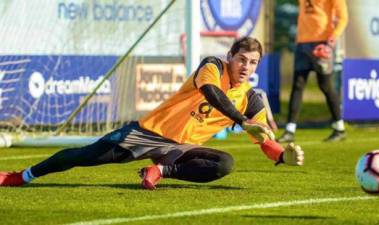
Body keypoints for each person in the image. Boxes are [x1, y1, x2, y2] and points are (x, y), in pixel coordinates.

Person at [0, 37, 304, 190]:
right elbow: (212, 93)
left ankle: (159, 171)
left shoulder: (251, 101)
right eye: (241, 59)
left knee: (225, 163)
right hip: (147, 132)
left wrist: (281, 156)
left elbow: (264, 139)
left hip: (182, 148)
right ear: (230, 58)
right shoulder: (212, 65)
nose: (246, 67)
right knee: (84, 155)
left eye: (252, 62)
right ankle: (22, 176)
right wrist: (241, 122)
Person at [278, 0, 348, 143]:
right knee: (297, 85)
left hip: (322, 43)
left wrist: (332, 39)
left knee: (325, 86)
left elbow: (343, 18)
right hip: (302, 43)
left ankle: (339, 128)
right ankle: (290, 130)